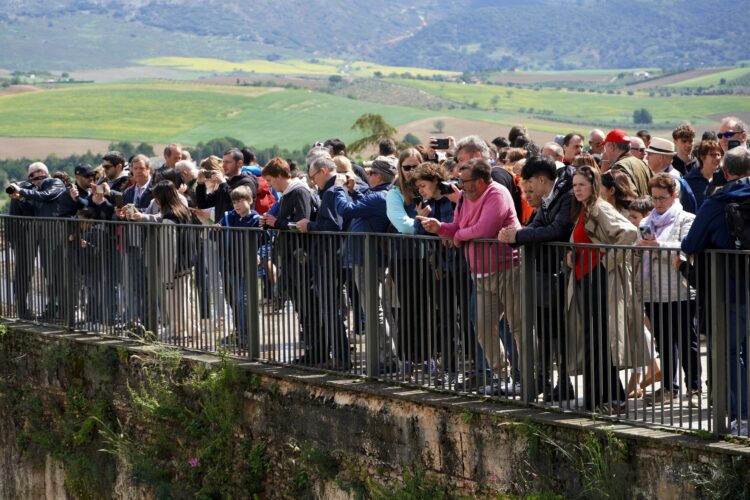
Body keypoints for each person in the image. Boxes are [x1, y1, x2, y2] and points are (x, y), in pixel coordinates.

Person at [419, 158, 522, 396]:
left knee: (517, 326)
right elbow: (459, 226)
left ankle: (525, 375)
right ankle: (500, 374)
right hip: (480, 272)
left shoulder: (497, 193)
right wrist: (440, 228)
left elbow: (485, 228)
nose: (461, 186)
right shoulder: (465, 197)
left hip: (508, 268)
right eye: (460, 181)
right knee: (483, 326)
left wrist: (458, 237)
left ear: (482, 180)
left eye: (465, 182)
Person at [681, 147, 750, 434]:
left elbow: (690, 243)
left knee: (730, 352)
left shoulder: (716, 202)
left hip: (731, 289)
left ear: (725, 171)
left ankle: (742, 417)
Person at [499, 156, 575, 402]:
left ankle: (563, 382)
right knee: (545, 330)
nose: (526, 193)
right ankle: (544, 380)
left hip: (560, 273)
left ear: (542, 180)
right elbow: (538, 224)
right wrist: (518, 233)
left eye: (529, 188)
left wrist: (518, 237)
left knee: (559, 333)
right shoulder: (549, 197)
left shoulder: (566, 195)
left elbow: (558, 230)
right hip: (546, 273)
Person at [567, 165, 635, 413]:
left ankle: (607, 399)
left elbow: (628, 233)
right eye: (574, 185)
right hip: (586, 277)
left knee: (599, 340)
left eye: (582, 185)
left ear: (593, 185)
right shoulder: (585, 210)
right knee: (593, 340)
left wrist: (606, 263)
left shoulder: (600, 208)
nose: (577, 189)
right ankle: (603, 398)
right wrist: (571, 255)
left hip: (598, 278)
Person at [635, 174, 700, 408]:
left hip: (679, 289)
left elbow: (687, 245)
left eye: (662, 198)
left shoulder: (686, 218)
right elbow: (638, 245)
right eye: (654, 198)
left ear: (674, 196)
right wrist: (638, 248)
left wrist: (657, 246)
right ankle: (669, 388)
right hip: (653, 290)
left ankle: (694, 387)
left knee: (687, 341)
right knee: (663, 342)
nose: (658, 203)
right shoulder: (647, 221)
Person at [333, 156, 399, 373]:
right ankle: (387, 356)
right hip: (368, 257)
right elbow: (363, 205)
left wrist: (339, 190)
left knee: (373, 310)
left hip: (366, 258)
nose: (367, 176)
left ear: (378, 176)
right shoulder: (382, 195)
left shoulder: (379, 196)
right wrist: (354, 191)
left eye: (370, 173)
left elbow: (347, 210)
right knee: (378, 308)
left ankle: (385, 359)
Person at [151, 180, 199, 343]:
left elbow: (168, 249)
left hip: (175, 267)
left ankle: (185, 330)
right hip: (187, 262)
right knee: (185, 299)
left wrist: (167, 277)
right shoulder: (183, 211)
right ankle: (187, 329)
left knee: (175, 301)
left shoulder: (169, 218)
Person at [216, 185, 260, 350]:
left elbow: (265, 241)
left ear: (249, 200)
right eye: (234, 202)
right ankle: (240, 333)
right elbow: (217, 232)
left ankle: (247, 335)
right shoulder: (228, 217)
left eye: (240, 201)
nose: (237, 205)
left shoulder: (256, 219)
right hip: (231, 264)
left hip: (247, 266)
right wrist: (216, 230)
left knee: (244, 300)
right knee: (236, 301)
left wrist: (260, 256)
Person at [196, 148, 258, 223]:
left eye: (228, 162)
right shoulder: (226, 183)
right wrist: (200, 184)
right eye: (223, 162)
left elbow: (233, 204)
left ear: (240, 163)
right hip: (221, 231)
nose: (223, 165)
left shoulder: (247, 182)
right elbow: (203, 204)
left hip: (237, 232)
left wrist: (222, 183)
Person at [644, 137, 698, 213]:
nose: (646, 157)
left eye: (649, 154)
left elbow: (666, 212)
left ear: (660, 158)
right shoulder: (669, 176)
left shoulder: (672, 180)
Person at [601, 129, 652, 196]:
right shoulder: (643, 164)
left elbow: (629, 197)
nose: (604, 152)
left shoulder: (619, 167)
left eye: (605, 147)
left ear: (612, 147)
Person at [684, 140, 722, 210]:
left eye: (718, 155)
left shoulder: (724, 179)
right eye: (712, 155)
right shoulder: (689, 181)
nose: (717, 158)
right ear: (702, 157)